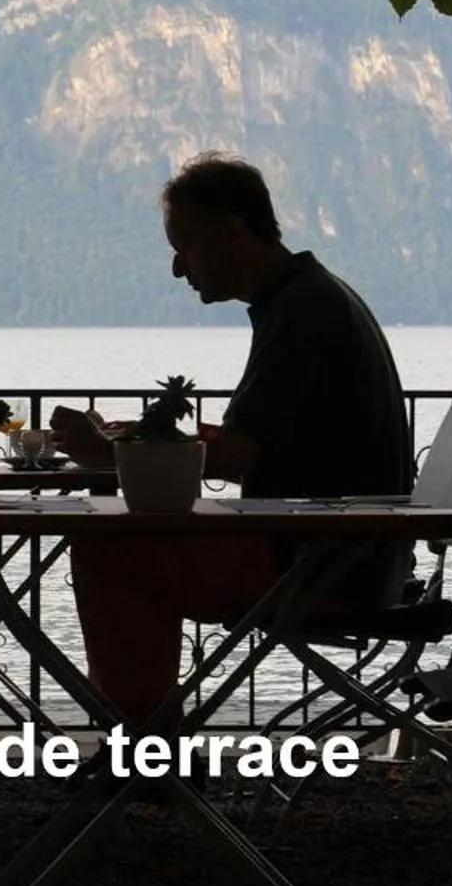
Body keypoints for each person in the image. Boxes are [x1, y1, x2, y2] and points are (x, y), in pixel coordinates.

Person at [50, 154, 412, 724]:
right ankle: (145, 738)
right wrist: (137, 438)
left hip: (319, 565)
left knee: (109, 546)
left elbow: (240, 454)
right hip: (350, 553)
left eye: (186, 244)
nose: (176, 268)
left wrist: (112, 451)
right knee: (127, 540)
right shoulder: (308, 298)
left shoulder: (302, 312)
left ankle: (142, 746)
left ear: (233, 230)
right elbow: (263, 443)